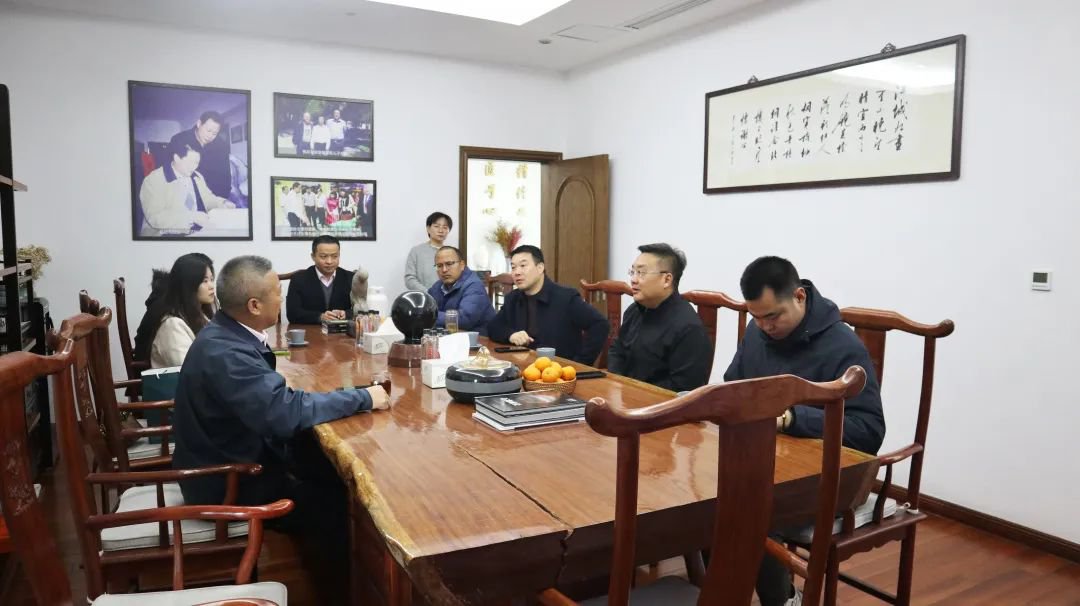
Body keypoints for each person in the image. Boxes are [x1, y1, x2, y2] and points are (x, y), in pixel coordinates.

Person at [171, 255, 389, 604]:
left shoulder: (226, 334)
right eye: (277, 292)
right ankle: (341, 594)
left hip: (233, 457)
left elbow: (276, 405)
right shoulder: (226, 352)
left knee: (327, 465)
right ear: (254, 305)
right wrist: (363, 397)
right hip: (226, 481)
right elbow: (283, 413)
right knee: (338, 502)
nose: (281, 297)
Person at [724, 255, 884, 606]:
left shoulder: (842, 347)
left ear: (799, 296)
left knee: (743, 506)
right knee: (706, 500)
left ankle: (783, 600)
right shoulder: (756, 331)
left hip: (825, 475)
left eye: (772, 316)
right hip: (766, 461)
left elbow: (869, 431)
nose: (764, 326)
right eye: (755, 317)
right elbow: (734, 384)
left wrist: (793, 418)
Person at [607, 243, 712, 392]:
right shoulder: (634, 311)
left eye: (641, 273)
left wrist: (634, 391)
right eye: (633, 272)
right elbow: (617, 350)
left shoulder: (689, 328)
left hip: (659, 403)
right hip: (625, 395)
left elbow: (683, 387)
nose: (633, 280)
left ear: (667, 280)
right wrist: (618, 383)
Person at [487, 245, 608, 364]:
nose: (517, 272)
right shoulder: (513, 298)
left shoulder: (565, 298)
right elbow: (493, 327)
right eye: (513, 267)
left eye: (523, 266)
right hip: (524, 367)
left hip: (558, 371)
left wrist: (580, 363)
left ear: (540, 268)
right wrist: (511, 335)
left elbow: (600, 324)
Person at [139, 139, 234, 237]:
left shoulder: (196, 176)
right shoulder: (154, 180)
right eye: (190, 162)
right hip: (164, 235)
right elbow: (155, 217)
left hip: (195, 231)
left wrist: (222, 203)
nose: (194, 167)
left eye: (196, 163)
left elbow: (207, 198)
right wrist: (191, 217)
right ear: (176, 158)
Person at [141, 254, 216, 368]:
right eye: (205, 281)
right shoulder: (172, 326)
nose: (211, 286)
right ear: (188, 285)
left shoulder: (202, 315)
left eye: (211, 279)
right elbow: (189, 370)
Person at [286, 235, 356, 324]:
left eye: (334, 256)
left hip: (341, 330)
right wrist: (320, 317)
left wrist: (346, 314)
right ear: (313, 256)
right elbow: (292, 314)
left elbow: (362, 310)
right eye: (323, 256)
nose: (329, 261)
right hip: (310, 330)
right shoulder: (298, 279)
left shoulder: (351, 278)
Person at [427, 246, 495, 334]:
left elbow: (465, 319)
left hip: (479, 338)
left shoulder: (474, 285)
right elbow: (426, 307)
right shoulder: (438, 286)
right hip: (450, 336)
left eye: (449, 264)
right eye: (439, 266)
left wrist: (428, 316)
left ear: (462, 265)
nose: (444, 270)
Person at [168, 110, 231, 200]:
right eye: (208, 130)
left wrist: (223, 199)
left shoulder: (221, 145)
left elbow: (225, 175)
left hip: (212, 196)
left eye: (214, 133)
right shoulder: (179, 140)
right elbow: (168, 169)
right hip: (184, 194)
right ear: (199, 124)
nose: (210, 136)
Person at [404, 212, 451, 291]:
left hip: (448, 297)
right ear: (428, 229)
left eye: (445, 227)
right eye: (436, 226)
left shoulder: (452, 253)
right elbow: (409, 279)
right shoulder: (416, 251)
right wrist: (428, 293)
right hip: (424, 296)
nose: (441, 230)